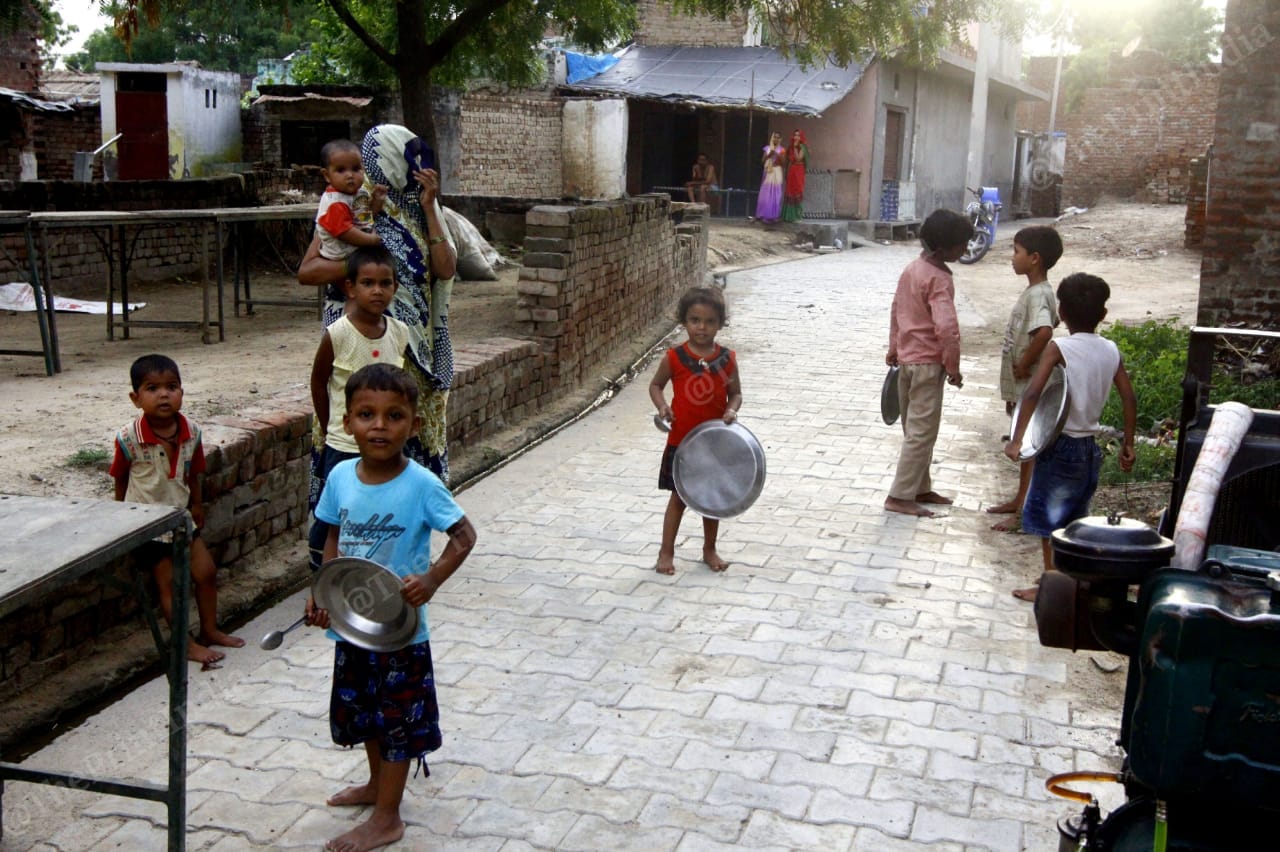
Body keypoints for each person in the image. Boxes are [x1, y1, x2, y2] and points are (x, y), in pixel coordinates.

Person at [305, 363, 477, 852]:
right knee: (366, 716)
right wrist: (323, 596)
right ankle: (378, 786)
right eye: (366, 414)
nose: (379, 426)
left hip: (402, 635)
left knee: (397, 721)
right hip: (354, 628)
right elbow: (332, 539)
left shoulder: (422, 484)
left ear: (414, 425)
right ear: (347, 422)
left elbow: (464, 537)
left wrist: (432, 579)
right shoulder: (339, 476)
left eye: (394, 415)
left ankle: (387, 817)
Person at [297, 124, 458, 484]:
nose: (414, 166)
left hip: (411, 347)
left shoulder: (419, 207)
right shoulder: (349, 204)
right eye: (404, 157)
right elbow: (307, 271)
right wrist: (364, 268)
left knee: (406, 441)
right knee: (360, 443)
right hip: (357, 345)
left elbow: (445, 268)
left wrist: (430, 208)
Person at [1006, 273, 1136, 601]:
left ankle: (1050, 586)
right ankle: (1070, 579)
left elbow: (1034, 392)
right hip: (1090, 449)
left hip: (1060, 445)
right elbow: (1129, 397)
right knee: (1074, 519)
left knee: (1049, 520)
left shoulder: (1059, 347)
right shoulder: (1110, 349)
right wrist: (1128, 444)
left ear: (1061, 313)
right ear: (1103, 315)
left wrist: (1017, 439)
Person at [109, 354, 244, 666]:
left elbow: (193, 473)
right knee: (170, 584)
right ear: (136, 398)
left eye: (171, 387)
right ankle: (186, 644)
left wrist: (196, 505)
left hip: (181, 517)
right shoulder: (129, 438)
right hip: (148, 523)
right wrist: (120, 516)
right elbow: (120, 477)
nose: (163, 395)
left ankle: (210, 629)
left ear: (182, 391)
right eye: (152, 388)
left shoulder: (191, 432)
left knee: (206, 572)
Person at [307, 244, 411, 571]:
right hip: (344, 445)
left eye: (385, 283)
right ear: (350, 287)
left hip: (383, 445)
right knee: (335, 513)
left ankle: (367, 569)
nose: (377, 291)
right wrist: (330, 428)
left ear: (395, 287)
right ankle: (321, 571)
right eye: (368, 283)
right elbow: (318, 382)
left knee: (376, 508)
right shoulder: (338, 334)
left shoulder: (399, 333)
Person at [884, 208, 973, 518]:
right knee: (922, 432)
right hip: (927, 365)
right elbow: (947, 328)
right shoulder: (939, 279)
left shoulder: (912, 269)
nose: (965, 249)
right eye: (961, 245)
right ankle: (899, 496)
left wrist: (893, 347)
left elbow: (897, 309)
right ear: (943, 247)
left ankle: (920, 487)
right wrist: (953, 367)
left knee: (914, 430)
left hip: (907, 362)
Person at [649, 286, 743, 575]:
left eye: (710, 321)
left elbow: (736, 394)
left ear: (720, 323)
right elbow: (655, 386)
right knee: (678, 500)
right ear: (684, 321)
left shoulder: (727, 360)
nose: (702, 327)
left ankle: (709, 549)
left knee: (710, 500)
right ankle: (666, 553)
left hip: (714, 444)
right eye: (695, 320)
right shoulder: (675, 358)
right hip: (683, 443)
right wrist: (663, 406)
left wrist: (731, 410)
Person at [988, 226, 1063, 532]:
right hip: (1025, 384)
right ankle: (1020, 500)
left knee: (1029, 448)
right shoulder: (1035, 291)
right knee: (1028, 451)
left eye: (1016, 251)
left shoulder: (1040, 295)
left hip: (1033, 382)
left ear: (1034, 258)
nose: (1012, 257)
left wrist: (1024, 364)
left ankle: (1024, 513)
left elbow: (1044, 332)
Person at [314, 139, 387, 263]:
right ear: (326, 175)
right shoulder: (335, 203)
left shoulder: (359, 193)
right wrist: (371, 241)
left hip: (355, 249)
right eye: (341, 170)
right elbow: (344, 232)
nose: (350, 175)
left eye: (356, 169)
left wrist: (377, 202)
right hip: (340, 255)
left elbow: (363, 219)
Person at [755, 132, 786, 223]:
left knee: (776, 194)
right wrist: (770, 154)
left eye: (777, 138)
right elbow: (762, 161)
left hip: (777, 172)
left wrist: (777, 154)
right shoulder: (767, 148)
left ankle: (774, 216)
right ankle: (763, 214)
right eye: (774, 137)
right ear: (772, 138)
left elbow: (784, 163)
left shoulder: (782, 150)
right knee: (766, 194)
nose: (775, 139)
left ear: (780, 139)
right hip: (768, 172)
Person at [781, 129, 808, 222]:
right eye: (795, 135)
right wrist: (786, 172)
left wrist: (796, 148)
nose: (796, 137)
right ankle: (788, 216)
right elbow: (787, 161)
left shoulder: (803, 147)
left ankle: (796, 216)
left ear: (801, 137)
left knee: (797, 191)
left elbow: (798, 159)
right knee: (789, 191)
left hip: (799, 171)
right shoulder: (790, 148)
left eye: (798, 135)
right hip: (791, 171)